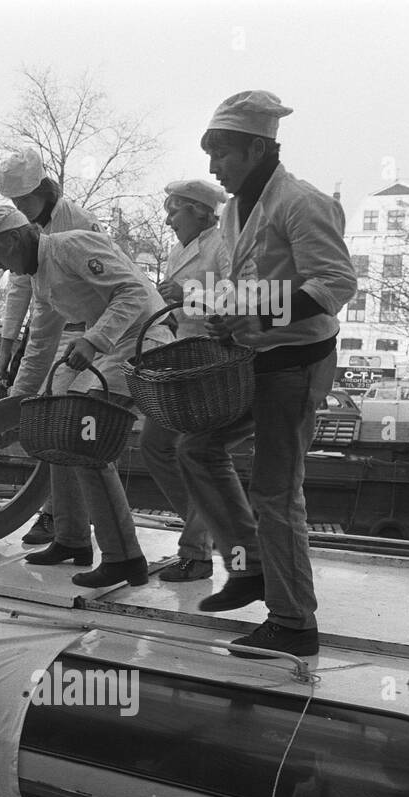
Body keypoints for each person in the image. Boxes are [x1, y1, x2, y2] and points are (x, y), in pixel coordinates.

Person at [184, 91, 357, 658]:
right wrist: (222, 313)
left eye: (222, 154)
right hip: (254, 362)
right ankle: (252, 566)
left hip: (296, 367)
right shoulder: (236, 209)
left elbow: (333, 285)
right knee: (195, 448)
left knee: (277, 493)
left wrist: (254, 314)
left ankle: (294, 622)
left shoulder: (303, 203)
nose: (212, 167)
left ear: (258, 148)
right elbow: (250, 280)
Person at [0, 205, 173, 588]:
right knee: (57, 424)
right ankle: (71, 539)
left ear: (14, 239)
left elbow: (133, 290)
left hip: (143, 341)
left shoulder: (72, 246)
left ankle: (125, 558)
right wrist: (16, 401)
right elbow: (41, 342)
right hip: (111, 346)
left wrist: (93, 339)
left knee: (90, 442)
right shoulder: (40, 277)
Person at [0, 147, 106, 547]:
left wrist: (19, 395)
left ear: (45, 190)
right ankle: (65, 520)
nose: (21, 208)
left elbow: (54, 317)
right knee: (51, 414)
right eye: (15, 203)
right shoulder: (27, 229)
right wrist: (7, 341)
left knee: (63, 418)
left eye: (25, 201)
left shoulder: (77, 225)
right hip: (66, 324)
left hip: (91, 329)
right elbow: (23, 281)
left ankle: (64, 517)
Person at [139, 178, 229, 582]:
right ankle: (203, 529)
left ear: (198, 209)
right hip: (183, 356)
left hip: (212, 360)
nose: (168, 218)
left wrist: (186, 294)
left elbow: (241, 300)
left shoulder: (224, 244)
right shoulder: (179, 249)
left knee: (192, 452)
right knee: (155, 445)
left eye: (175, 210)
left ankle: (196, 552)